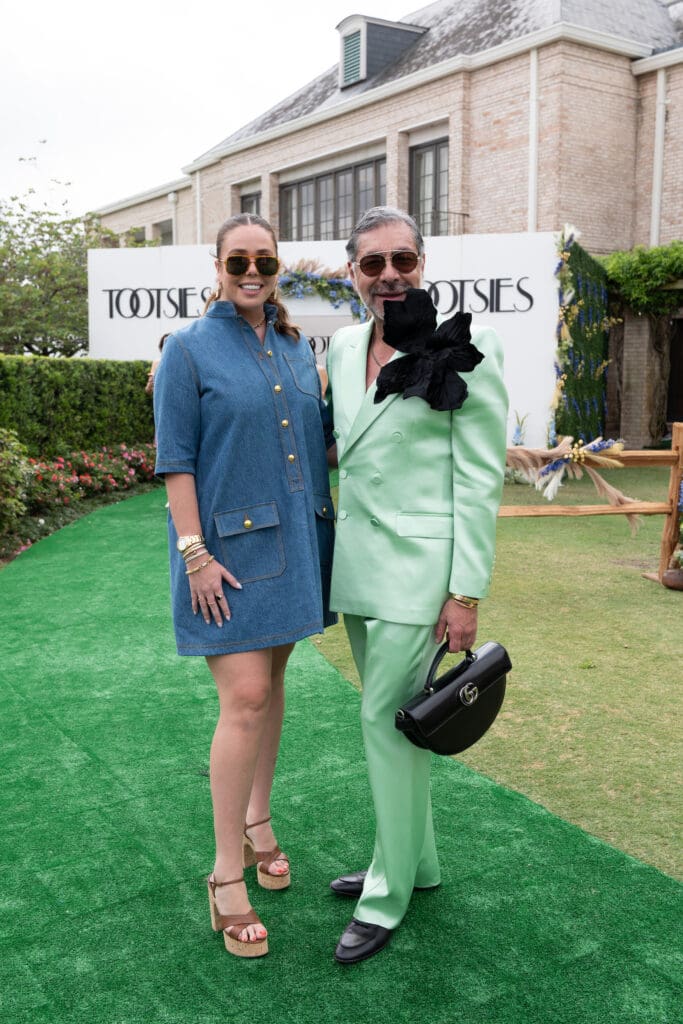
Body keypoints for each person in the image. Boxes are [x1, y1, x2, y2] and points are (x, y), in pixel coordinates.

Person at [325, 206, 508, 964]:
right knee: (401, 728)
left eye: (402, 260)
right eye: (373, 264)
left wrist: (464, 593)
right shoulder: (338, 346)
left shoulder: (471, 342)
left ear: (422, 263)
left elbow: (478, 477)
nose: (389, 275)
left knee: (381, 727)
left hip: (423, 575)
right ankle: (417, 862)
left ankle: (385, 894)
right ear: (353, 274)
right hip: (358, 569)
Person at [153, 213, 336, 959]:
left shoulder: (296, 346)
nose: (252, 271)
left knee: (276, 681)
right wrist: (194, 553)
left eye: (264, 259)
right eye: (238, 259)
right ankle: (226, 873)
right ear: (218, 264)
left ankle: (260, 821)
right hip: (222, 554)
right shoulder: (187, 350)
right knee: (246, 697)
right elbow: (176, 460)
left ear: (278, 265)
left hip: (297, 542)